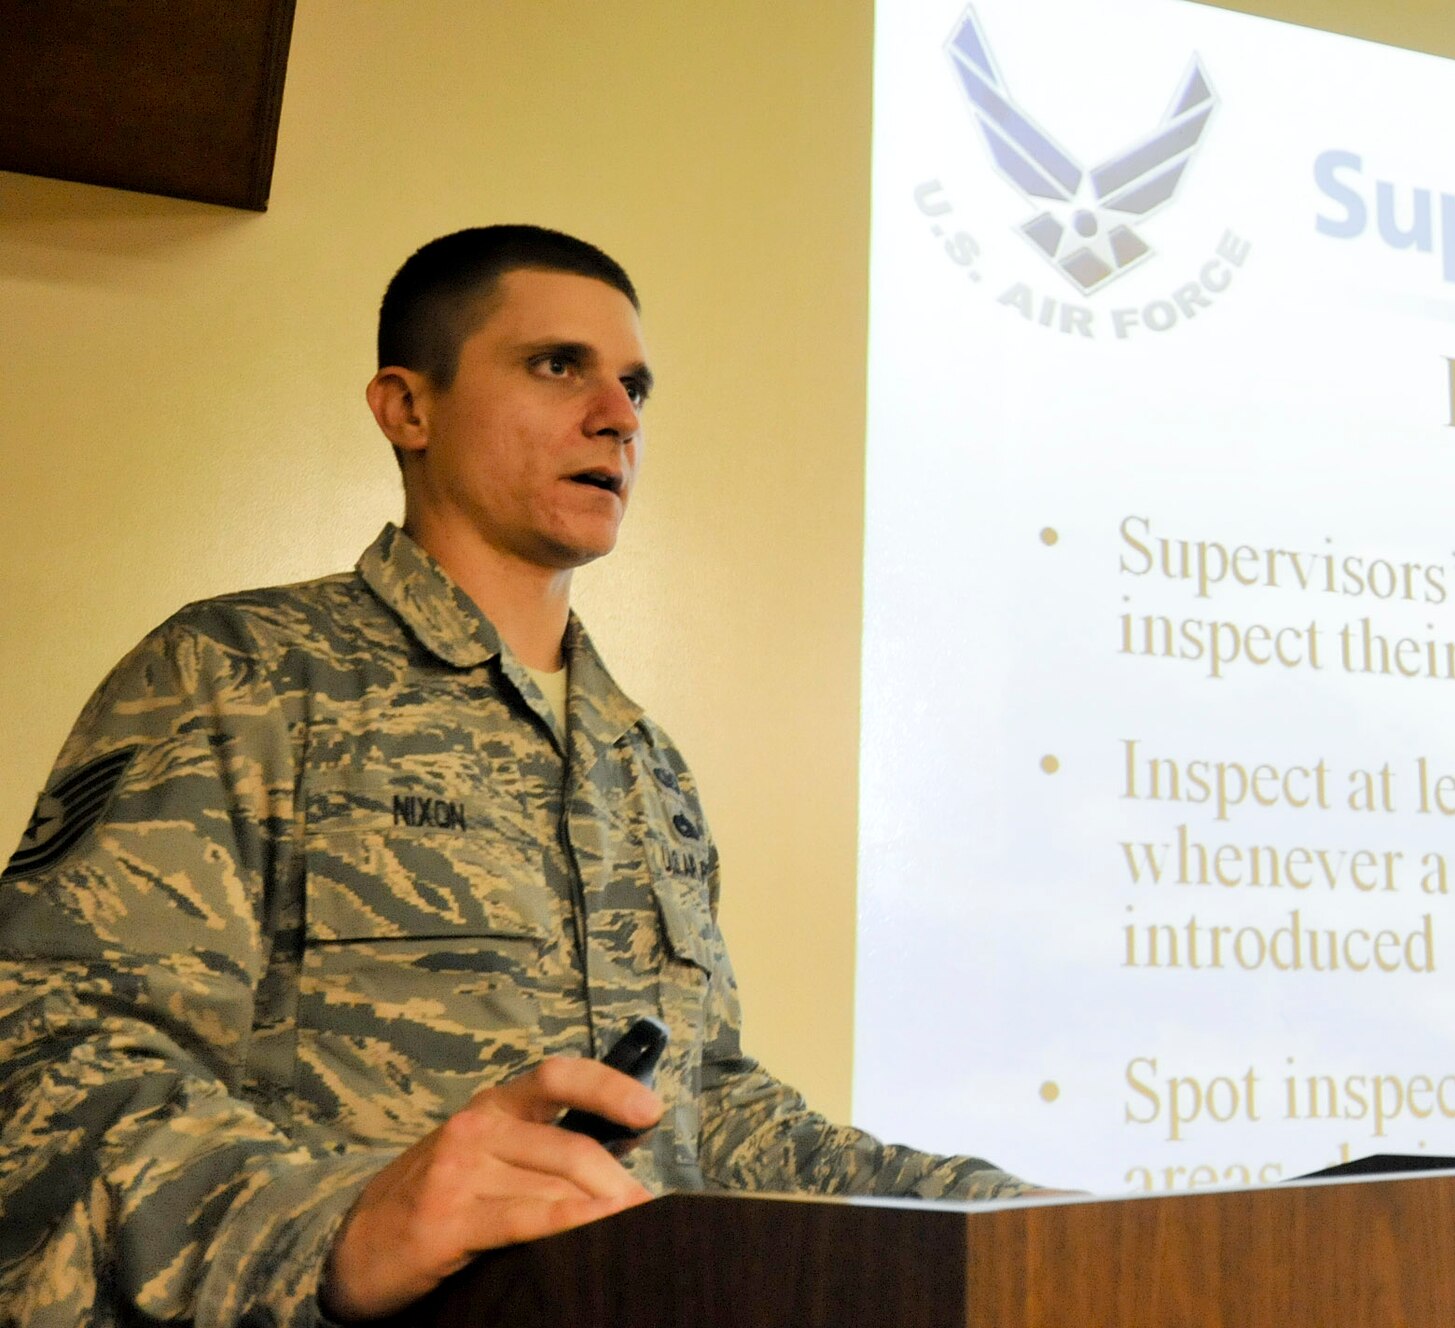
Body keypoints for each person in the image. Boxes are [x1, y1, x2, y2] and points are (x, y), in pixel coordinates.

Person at [0, 226, 1029, 1327]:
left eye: (633, 384)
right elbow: (49, 1063)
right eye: (557, 365)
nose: (618, 414)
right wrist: (337, 1223)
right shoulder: (241, 675)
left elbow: (698, 1105)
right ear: (408, 407)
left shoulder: (643, 762)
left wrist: (1003, 1217)